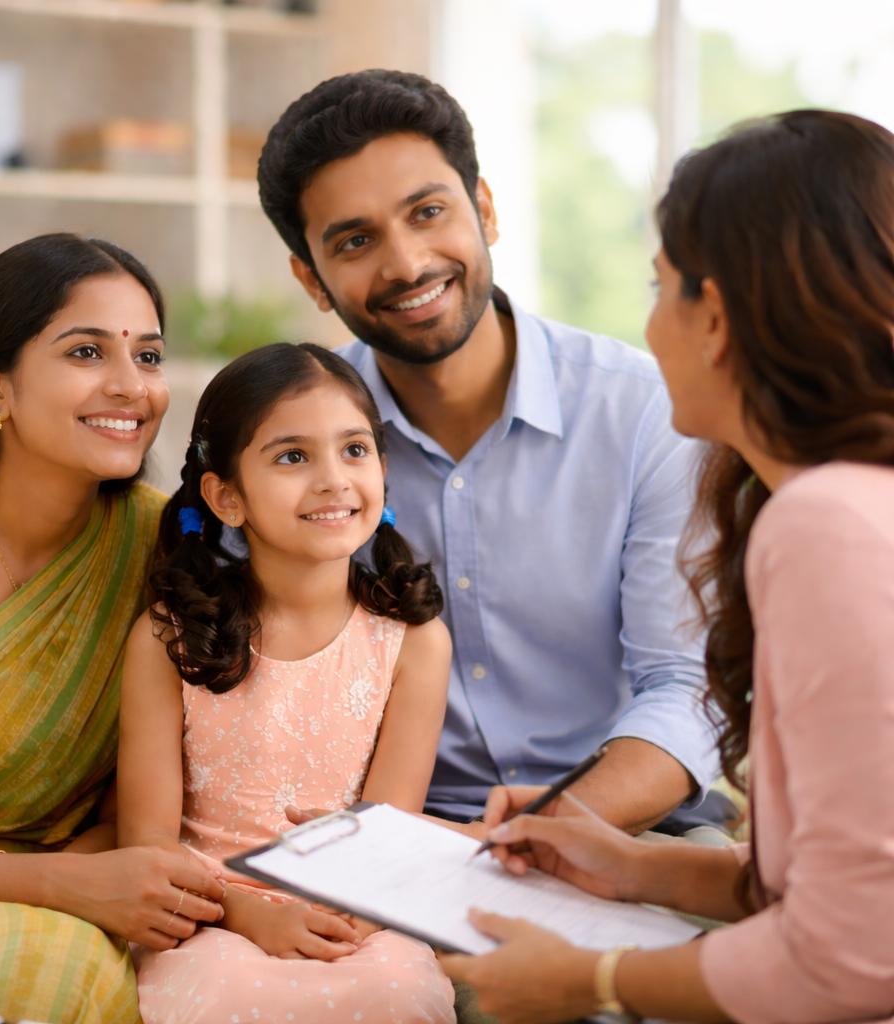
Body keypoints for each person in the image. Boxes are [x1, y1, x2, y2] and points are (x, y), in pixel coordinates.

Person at [439, 108, 894, 1023]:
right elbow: (848, 883)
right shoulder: (842, 501)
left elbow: (856, 956)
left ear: (715, 317)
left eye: (660, 288)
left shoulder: (828, 527)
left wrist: (586, 983)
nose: (647, 328)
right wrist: (637, 862)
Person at [257, 69, 725, 838]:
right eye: (355, 240)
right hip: (393, 839)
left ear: (485, 210)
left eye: (429, 212)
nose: (406, 264)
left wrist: (535, 836)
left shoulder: (640, 411)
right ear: (311, 279)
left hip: (629, 825)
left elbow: (684, 687)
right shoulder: (287, 447)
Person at [0, 233, 225, 1023]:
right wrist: (54, 888)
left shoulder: (160, 544)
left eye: (150, 356)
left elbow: (147, 803)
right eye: (87, 352)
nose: (132, 386)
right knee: (58, 968)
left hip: (74, 897)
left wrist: (92, 879)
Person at [118, 342, 457, 1024]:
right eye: (293, 456)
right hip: (206, 919)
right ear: (226, 495)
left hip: (353, 913)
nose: (333, 479)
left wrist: (340, 916)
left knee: (398, 989)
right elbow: (147, 842)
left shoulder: (414, 643)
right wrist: (249, 914)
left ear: (383, 471)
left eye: (354, 450)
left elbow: (389, 834)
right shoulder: (170, 635)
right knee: (227, 994)